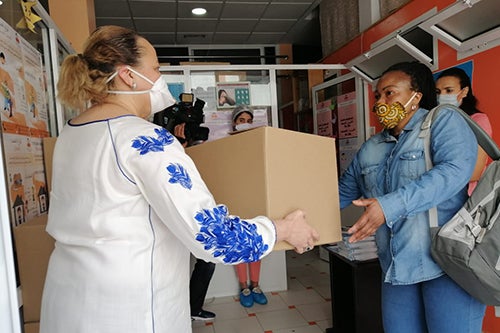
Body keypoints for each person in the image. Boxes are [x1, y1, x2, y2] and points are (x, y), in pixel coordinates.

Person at [39, 25, 319, 333]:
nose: (161, 79)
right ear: (128, 75)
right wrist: (284, 228)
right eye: (156, 68)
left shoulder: (70, 133)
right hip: (131, 312)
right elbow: (215, 239)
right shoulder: (144, 139)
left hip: (68, 303)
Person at [338, 61, 486, 333]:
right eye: (378, 96)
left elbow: (453, 172)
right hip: (396, 269)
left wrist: (388, 206)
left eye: (390, 93)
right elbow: (342, 192)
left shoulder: (444, 120)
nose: (381, 101)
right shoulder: (371, 148)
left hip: (447, 264)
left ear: (416, 96)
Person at [173, 123, 216, 321]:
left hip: (198, 216)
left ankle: (193, 308)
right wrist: (178, 146)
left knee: (207, 262)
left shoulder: (208, 159)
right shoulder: (174, 155)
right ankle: (183, 309)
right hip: (174, 217)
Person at [228, 105, 267, 307]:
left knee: (255, 245)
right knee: (239, 246)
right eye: (241, 120)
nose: (245, 124)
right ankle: (244, 287)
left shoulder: (257, 145)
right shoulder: (227, 146)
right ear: (234, 122)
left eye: (248, 121)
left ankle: (256, 285)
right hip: (235, 201)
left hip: (254, 200)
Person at [435, 67, 493, 195]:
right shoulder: (435, 122)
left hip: (463, 196)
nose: (442, 96)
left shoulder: (478, 120)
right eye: (438, 92)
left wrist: (434, 179)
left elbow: (475, 172)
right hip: (438, 193)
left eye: (449, 90)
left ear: (464, 91)